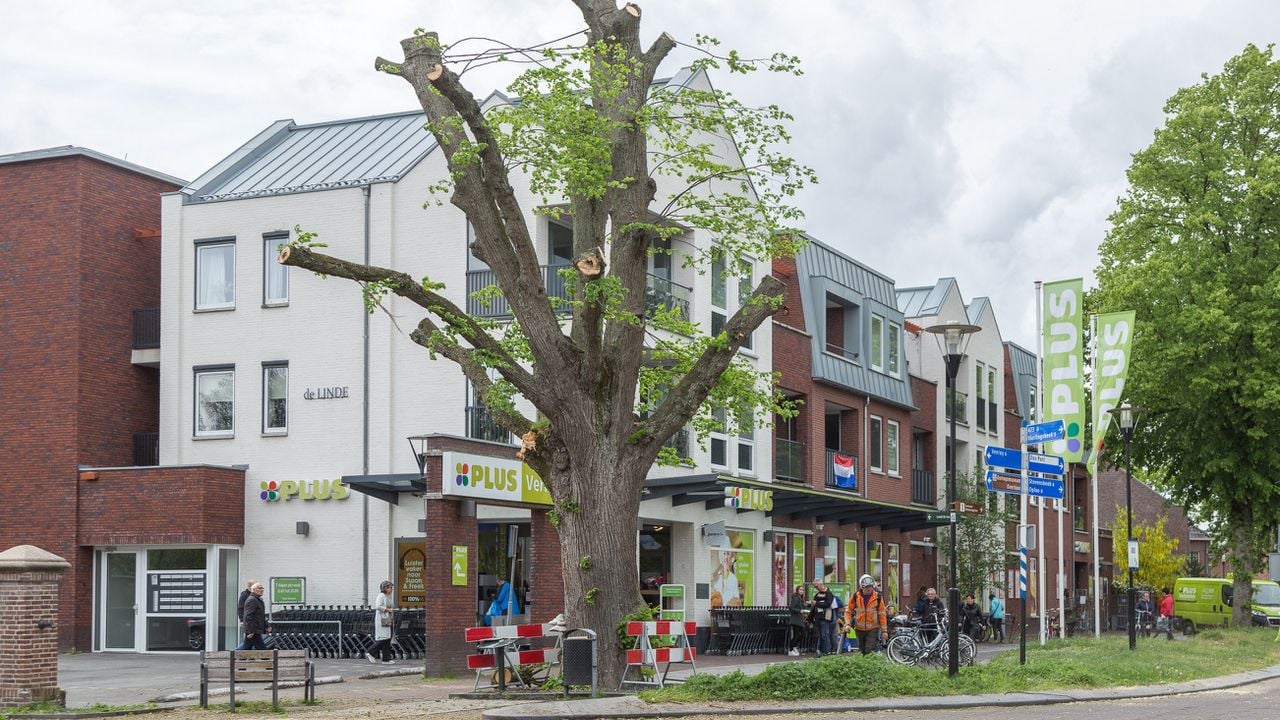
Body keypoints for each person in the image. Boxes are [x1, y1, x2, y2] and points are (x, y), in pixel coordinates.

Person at [847, 574, 888, 655]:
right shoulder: (855, 597)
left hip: (873, 629)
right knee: (861, 651)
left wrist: (884, 631)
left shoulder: (877, 597)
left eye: (871, 586)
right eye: (867, 587)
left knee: (869, 650)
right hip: (859, 629)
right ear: (862, 587)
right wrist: (847, 624)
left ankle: (871, 665)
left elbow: (882, 614)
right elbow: (848, 611)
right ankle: (864, 666)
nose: (869, 589)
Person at [366, 580, 395, 664]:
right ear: (385, 588)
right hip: (381, 620)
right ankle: (370, 652)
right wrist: (387, 609)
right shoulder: (381, 596)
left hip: (386, 619)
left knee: (387, 638)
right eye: (390, 588)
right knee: (383, 638)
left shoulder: (387, 597)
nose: (391, 589)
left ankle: (386, 659)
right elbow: (378, 606)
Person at [807, 579, 838, 655]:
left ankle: (826, 651)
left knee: (824, 635)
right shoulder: (817, 594)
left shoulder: (828, 593)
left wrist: (816, 603)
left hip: (825, 617)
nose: (816, 588)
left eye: (816, 586)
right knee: (820, 635)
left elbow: (827, 604)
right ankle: (821, 651)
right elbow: (814, 606)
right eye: (815, 587)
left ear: (821, 584)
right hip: (818, 618)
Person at [240, 582, 269, 650]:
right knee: (261, 648)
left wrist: (266, 626)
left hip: (255, 629)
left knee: (247, 646)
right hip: (253, 630)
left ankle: (240, 657)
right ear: (253, 590)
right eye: (259, 588)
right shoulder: (252, 600)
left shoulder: (257, 600)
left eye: (262, 588)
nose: (262, 590)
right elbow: (248, 616)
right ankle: (266, 659)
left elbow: (260, 616)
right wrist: (250, 631)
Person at [235, 579, 257, 647]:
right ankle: (238, 653)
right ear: (251, 587)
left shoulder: (254, 595)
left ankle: (248, 655)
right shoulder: (244, 595)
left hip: (253, 622)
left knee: (250, 641)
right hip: (247, 621)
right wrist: (241, 620)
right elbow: (240, 608)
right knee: (246, 641)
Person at [788, 585, 808, 656]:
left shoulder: (801, 598)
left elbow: (802, 607)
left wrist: (807, 606)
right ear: (797, 590)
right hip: (795, 619)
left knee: (802, 634)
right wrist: (800, 611)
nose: (802, 591)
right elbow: (791, 608)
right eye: (800, 590)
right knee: (798, 634)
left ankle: (794, 647)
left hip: (799, 619)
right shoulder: (796, 598)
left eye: (802, 590)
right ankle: (791, 649)